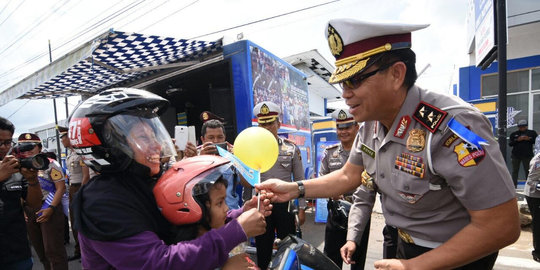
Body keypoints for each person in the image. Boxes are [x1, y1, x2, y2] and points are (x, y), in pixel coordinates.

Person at [256, 18, 520, 270]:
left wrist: (416, 266)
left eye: (355, 80)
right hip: (401, 245)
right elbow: (349, 175)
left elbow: (500, 226)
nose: (345, 93)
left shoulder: (453, 125)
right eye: (343, 82)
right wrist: (293, 189)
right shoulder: (371, 121)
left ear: (396, 74)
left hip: (454, 256)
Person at [69, 88, 270, 270]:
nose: (157, 145)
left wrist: (242, 214)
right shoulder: (102, 203)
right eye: (144, 138)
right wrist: (236, 231)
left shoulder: (145, 181)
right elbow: (158, 262)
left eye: (155, 134)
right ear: (110, 147)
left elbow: (190, 221)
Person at [154, 154, 261, 269]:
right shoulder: (185, 259)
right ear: (192, 208)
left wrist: (243, 211)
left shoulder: (214, 249)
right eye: (219, 203)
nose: (227, 208)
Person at [249, 101, 306, 270]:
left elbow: (300, 180)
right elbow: (247, 184)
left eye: (270, 123)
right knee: (263, 249)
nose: (266, 128)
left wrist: (301, 209)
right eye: (262, 124)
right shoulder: (252, 149)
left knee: (287, 247)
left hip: (285, 206)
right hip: (262, 205)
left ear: (278, 124)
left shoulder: (291, 148)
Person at [319, 109, 367, 269]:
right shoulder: (329, 153)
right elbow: (321, 179)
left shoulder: (367, 153)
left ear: (357, 127)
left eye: (347, 127)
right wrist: (331, 192)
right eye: (340, 128)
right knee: (331, 259)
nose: (343, 132)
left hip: (359, 213)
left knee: (357, 260)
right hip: (336, 214)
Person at [19, 133, 68, 270]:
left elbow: (60, 188)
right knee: (40, 251)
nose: (27, 151)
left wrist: (51, 208)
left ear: (39, 148)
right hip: (30, 210)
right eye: (23, 148)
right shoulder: (18, 166)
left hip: (49, 208)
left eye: (31, 147)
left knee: (53, 250)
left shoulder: (50, 164)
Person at [0, 117, 43, 270]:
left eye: (8, 142)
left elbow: (36, 204)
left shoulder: (15, 168)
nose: (4, 148)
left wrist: (33, 181)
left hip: (18, 253)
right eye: (0, 142)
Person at [184, 112, 241, 209]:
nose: (215, 141)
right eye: (211, 138)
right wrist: (200, 161)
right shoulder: (194, 158)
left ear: (225, 138)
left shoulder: (233, 157)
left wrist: (238, 159)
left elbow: (247, 182)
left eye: (220, 137)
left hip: (232, 212)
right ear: (203, 139)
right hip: (207, 215)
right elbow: (188, 187)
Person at [58, 126, 90, 261]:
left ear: (70, 137)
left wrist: (82, 193)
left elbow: (86, 176)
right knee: (74, 220)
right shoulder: (71, 154)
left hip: (79, 188)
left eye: (63, 137)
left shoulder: (80, 153)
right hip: (72, 188)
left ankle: (87, 252)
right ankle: (79, 250)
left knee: (82, 220)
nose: (61, 140)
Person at [509, 119, 538, 187]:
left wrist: (529, 139)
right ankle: (514, 185)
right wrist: (517, 140)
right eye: (520, 127)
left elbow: (536, 142)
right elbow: (510, 144)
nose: (522, 128)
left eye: (523, 127)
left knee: (528, 171)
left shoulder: (532, 133)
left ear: (526, 126)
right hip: (516, 155)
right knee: (515, 171)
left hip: (527, 155)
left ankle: (529, 185)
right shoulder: (514, 134)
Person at [525, 153, 540, 263]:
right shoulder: (538, 160)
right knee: (538, 223)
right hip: (534, 195)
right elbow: (531, 181)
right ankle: (538, 252)